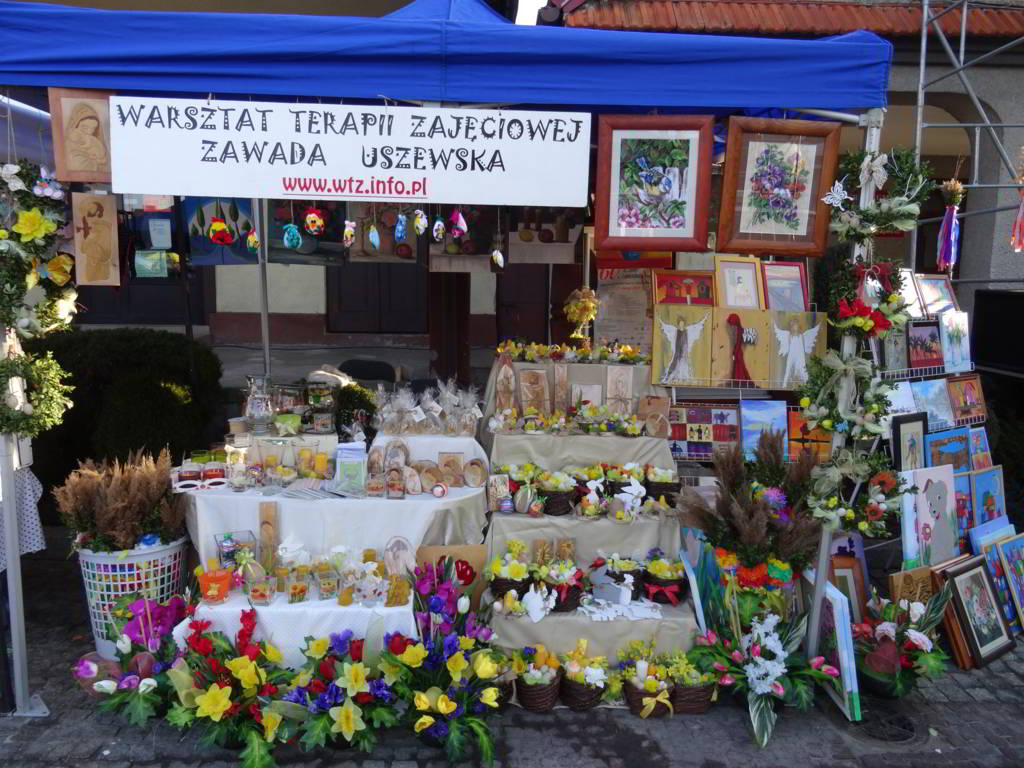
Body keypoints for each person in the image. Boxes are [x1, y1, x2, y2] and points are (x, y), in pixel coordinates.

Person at [65, 102, 109, 173]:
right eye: (84, 127)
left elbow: (104, 163)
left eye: (93, 128)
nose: (89, 132)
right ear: (75, 124)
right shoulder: (69, 144)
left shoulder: (93, 140)